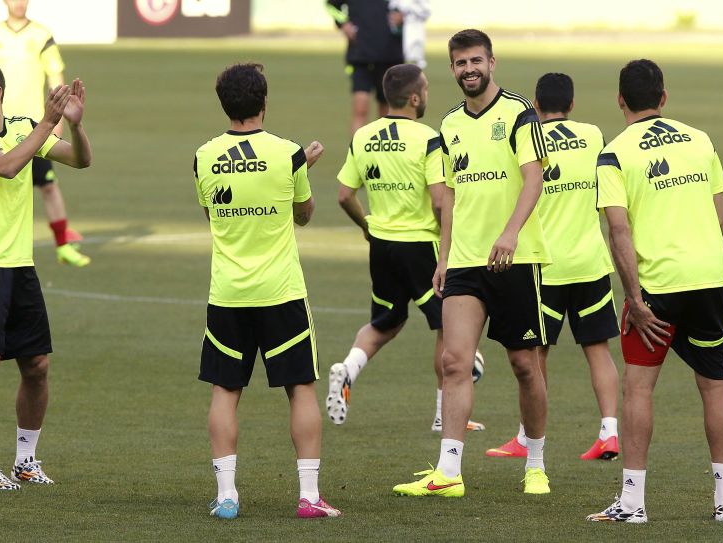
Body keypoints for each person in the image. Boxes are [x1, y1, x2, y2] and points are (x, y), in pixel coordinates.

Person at [393, 29, 553, 498]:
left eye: (476, 61)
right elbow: (449, 200)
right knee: (454, 362)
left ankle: (536, 463)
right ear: (452, 69)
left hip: (516, 258)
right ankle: (449, 472)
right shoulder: (448, 126)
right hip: (464, 262)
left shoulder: (520, 114)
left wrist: (510, 233)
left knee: (525, 365)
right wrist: (443, 258)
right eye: (461, 63)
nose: (469, 70)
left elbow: (534, 180)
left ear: (492, 62)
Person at [587, 59, 723, 523]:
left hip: (656, 288)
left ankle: (633, 504)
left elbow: (619, 232)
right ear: (664, 97)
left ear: (620, 100)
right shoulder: (700, 140)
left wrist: (634, 297)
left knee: (638, 388)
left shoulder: (613, 153)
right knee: (714, 386)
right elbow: (721, 220)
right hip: (711, 278)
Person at [194, 63, 340, 520]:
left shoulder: (203, 156)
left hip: (229, 294)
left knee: (225, 390)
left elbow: (215, 216)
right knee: (300, 388)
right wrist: (301, 169)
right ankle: (309, 496)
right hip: (281, 292)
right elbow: (303, 213)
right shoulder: (288, 153)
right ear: (264, 102)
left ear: (224, 104)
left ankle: (226, 495)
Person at [0, 59, 92, 490]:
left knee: (37, 365)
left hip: (19, 265)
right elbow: (10, 165)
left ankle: (25, 460)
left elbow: (79, 160)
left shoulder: (22, 125)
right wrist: (46, 122)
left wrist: (73, 126)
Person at [326, 63, 485, 433]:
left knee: (387, 321)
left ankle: (348, 368)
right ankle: (442, 415)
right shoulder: (429, 139)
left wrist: (367, 226)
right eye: (426, 89)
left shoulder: (363, 136)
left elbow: (345, 195)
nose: (427, 94)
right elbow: (437, 202)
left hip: (381, 246)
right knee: (448, 325)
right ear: (414, 97)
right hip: (421, 248)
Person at [485, 73, 621, 461]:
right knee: (598, 349)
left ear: (534, 104)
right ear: (572, 104)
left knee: (534, 355)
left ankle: (527, 439)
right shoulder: (593, 134)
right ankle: (609, 432)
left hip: (543, 265)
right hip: (591, 260)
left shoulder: (527, 138)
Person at [0, 0, 90, 267]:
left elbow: (55, 76)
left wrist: (58, 117)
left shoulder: (41, 35)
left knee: (48, 185)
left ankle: (62, 245)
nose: (20, 3)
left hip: (33, 126)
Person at [326, 0, 404, 134]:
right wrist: (343, 24)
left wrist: (404, 17)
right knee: (360, 110)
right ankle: (357, 153)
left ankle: (384, 153)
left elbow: (415, 8)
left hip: (390, 56)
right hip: (360, 56)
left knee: (387, 113)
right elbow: (330, 5)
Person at [388, 0, 431, 69]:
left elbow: (426, 12)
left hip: (414, 26)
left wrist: (410, 8)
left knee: (414, 51)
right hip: (395, 31)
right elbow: (392, 6)